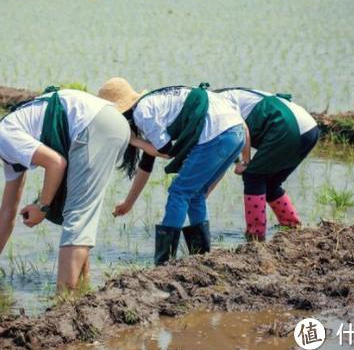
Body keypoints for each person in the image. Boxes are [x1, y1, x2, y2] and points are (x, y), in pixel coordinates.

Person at [0, 88, 130, 291]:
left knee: (77, 214)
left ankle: (64, 298)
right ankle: (82, 290)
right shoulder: (6, 146)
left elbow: (56, 163)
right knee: (78, 212)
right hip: (108, 124)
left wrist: (42, 206)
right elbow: (8, 211)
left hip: (96, 126)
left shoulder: (5, 137)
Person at [97, 77, 247, 265]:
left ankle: (164, 262)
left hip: (217, 132)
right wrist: (129, 202)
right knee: (196, 194)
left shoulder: (143, 112)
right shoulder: (153, 104)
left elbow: (166, 151)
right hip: (236, 131)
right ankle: (201, 257)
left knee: (179, 192)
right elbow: (148, 162)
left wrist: (134, 141)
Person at [215, 87, 320, 241]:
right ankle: (292, 226)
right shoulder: (231, 95)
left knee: (253, 176)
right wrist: (237, 160)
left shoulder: (216, 104)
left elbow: (238, 132)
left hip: (287, 127)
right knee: (271, 183)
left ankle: (255, 235)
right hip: (309, 129)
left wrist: (244, 161)